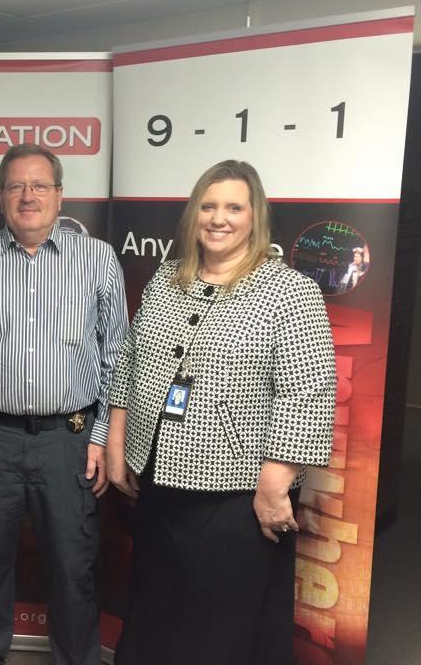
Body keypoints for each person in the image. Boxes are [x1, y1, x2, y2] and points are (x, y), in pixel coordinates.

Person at [106, 160, 336, 664]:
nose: (219, 218)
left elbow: (308, 394)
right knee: (154, 609)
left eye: (233, 207)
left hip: (236, 495)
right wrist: (116, 445)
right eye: (208, 206)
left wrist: (275, 488)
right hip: (160, 482)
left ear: (255, 217)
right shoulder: (169, 278)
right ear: (193, 214)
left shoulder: (288, 290)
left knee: (221, 626)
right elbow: (128, 362)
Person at [0, 143, 128, 665]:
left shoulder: (97, 259)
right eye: (16, 185)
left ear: (60, 196)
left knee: (73, 568)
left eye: (40, 185)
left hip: (69, 441)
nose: (28, 196)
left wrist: (100, 438)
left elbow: (118, 354)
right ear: (0, 198)